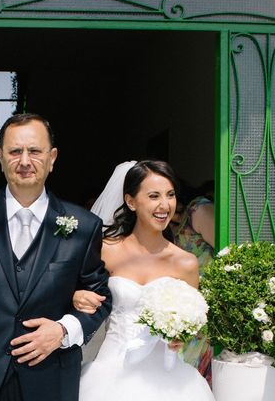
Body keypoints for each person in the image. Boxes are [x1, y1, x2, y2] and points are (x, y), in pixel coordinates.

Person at [0, 113, 112, 401]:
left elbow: (100, 296)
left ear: (52, 158)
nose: (25, 161)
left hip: (51, 379)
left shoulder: (84, 225)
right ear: (0, 157)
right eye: (15, 151)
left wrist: (64, 329)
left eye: (35, 151)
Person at [74, 160, 215, 401]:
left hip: (168, 377)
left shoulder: (186, 262)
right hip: (111, 372)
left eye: (170, 195)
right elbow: (75, 291)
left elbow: (192, 327)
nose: (164, 205)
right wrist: (76, 296)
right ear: (130, 201)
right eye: (153, 196)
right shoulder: (106, 250)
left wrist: (180, 337)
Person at [170, 185, 215, 384]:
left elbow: (227, 248)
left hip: (206, 304)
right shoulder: (163, 225)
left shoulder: (198, 210)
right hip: (181, 309)